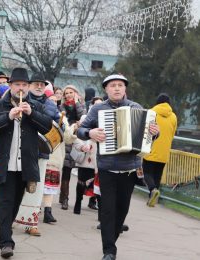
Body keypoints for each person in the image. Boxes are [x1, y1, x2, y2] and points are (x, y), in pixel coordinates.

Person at [77, 73, 159, 260]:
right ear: (106, 89)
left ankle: (110, 239)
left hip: (130, 168)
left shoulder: (136, 108)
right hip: (107, 168)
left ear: (125, 89)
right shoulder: (98, 109)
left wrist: (155, 133)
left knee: (122, 209)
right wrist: (91, 132)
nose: (116, 88)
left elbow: (148, 137)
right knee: (107, 209)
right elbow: (80, 131)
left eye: (120, 85)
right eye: (112, 85)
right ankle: (109, 251)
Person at [0, 68, 52, 258]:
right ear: (10, 86)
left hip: (25, 165)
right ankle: (6, 242)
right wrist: (8, 116)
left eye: (24, 85)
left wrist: (32, 114)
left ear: (28, 87)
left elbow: (47, 126)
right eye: (17, 85)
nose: (20, 88)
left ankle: (4, 234)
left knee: (15, 204)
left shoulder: (35, 106)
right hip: (5, 164)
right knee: (5, 204)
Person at [14, 72, 60, 236]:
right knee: (17, 186)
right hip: (21, 151)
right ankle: (12, 218)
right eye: (36, 84)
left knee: (37, 190)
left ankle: (31, 223)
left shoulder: (52, 105)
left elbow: (53, 127)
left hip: (41, 152)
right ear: (29, 85)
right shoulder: (20, 99)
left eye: (42, 84)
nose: (39, 86)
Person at [143, 93, 177, 207]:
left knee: (147, 173)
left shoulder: (151, 112)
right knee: (157, 175)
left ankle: (153, 190)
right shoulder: (173, 117)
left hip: (151, 149)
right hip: (164, 152)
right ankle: (152, 199)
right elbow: (172, 134)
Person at [59, 85, 85, 210]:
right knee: (65, 169)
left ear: (76, 93)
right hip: (65, 139)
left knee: (72, 169)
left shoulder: (81, 106)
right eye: (66, 93)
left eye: (71, 92)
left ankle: (71, 199)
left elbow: (83, 117)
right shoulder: (62, 107)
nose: (68, 95)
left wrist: (77, 103)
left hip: (77, 139)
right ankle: (64, 198)